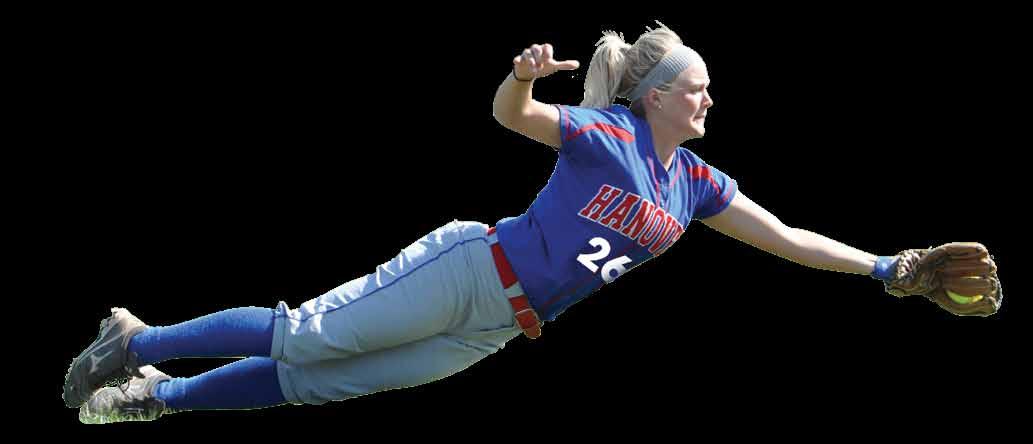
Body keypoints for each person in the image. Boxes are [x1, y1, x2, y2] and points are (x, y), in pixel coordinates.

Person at [62, 21, 920, 423]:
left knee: (317, 381)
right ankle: (136, 341)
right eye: (696, 88)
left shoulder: (693, 183)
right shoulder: (609, 134)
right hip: (473, 271)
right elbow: (516, 118)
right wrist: (521, 79)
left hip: (500, 329)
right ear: (657, 96)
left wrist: (884, 266)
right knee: (307, 336)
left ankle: (155, 397)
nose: (708, 99)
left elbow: (789, 238)